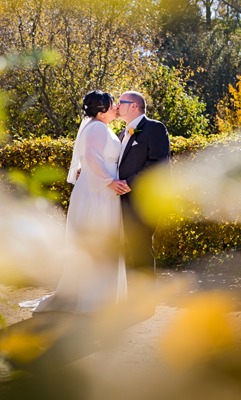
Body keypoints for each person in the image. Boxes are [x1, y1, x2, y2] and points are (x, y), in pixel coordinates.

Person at [20, 90, 128, 314]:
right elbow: (91, 157)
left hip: (98, 189)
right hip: (98, 192)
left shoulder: (100, 127)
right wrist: (109, 182)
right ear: (101, 109)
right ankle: (93, 298)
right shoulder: (97, 127)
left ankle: (96, 294)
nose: (115, 106)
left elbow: (91, 158)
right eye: (111, 103)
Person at [116, 91, 170, 300]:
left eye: (121, 102)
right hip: (121, 201)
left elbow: (158, 164)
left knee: (141, 248)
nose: (117, 106)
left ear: (134, 106)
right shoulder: (122, 133)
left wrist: (129, 184)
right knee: (129, 249)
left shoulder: (155, 128)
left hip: (142, 201)